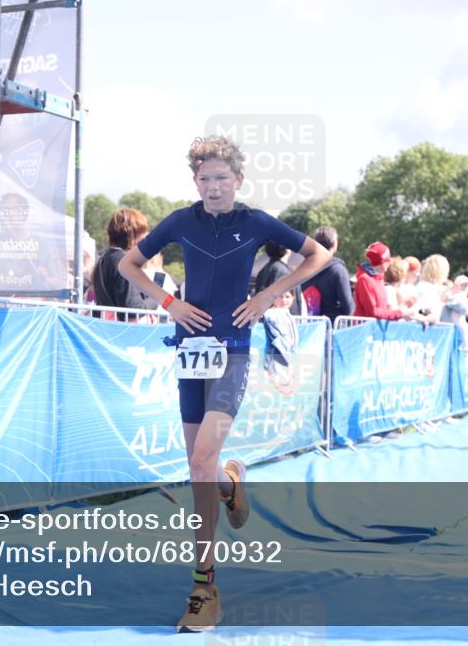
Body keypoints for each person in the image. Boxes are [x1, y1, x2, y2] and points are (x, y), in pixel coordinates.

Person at [117, 136, 331, 632]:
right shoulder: (180, 221)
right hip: (189, 350)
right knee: (201, 472)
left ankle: (204, 585)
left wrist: (269, 295)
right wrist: (169, 304)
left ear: (238, 180)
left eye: (221, 178)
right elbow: (130, 264)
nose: (212, 187)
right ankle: (230, 484)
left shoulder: (255, 221)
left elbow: (317, 255)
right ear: (196, 182)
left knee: (199, 460)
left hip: (233, 350)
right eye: (204, 179)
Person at [93, 207, 157, 318]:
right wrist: (156, 297)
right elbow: (133, 309)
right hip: (123, 331)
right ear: (134, 234)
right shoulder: (123, 261)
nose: (146, 238)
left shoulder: (104, 257)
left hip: (106, 328)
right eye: (143, 233)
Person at [300, 225, 354, 322]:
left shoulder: (305, 268)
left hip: (311, 326)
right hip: (335, 326)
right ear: (335, 244)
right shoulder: (338, 270)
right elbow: (348, 306)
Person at [354, 241, 405, 320]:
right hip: (365, 330)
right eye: (388, 260)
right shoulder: (364, 280)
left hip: (377, 330)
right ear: (382, 262)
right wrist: (399, 313)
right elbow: (372, 312)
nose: (389, 262)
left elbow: (382, 309)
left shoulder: (379, 278)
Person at [254, 242, 304, 316]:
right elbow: (285, 303)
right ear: (287, 250)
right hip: (282, 320)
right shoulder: (283, 272)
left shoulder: (264, 270)